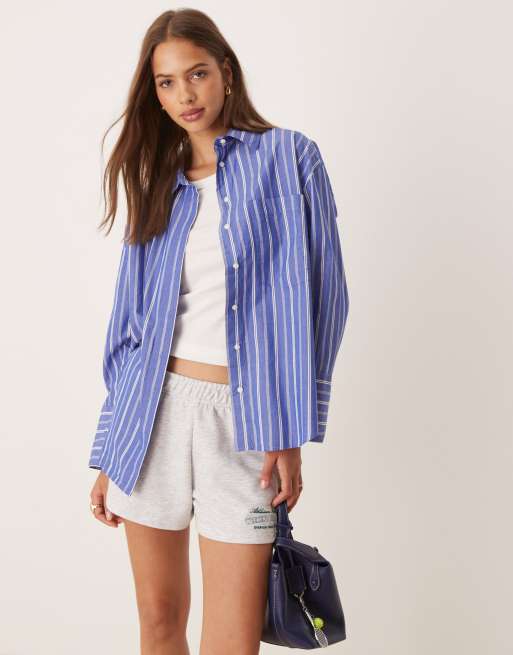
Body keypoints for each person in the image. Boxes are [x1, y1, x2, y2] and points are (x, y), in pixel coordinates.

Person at [87, 8, 349, 655]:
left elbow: (326, 301)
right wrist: (110, 445)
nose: (186, 94)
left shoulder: (290, 157)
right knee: (157, 620)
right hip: (150, 417)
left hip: (246, 420)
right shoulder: (156, 180)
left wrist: (291, 428)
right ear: (154, 93)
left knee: (232, 639)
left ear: (225, 72)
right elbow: (130, 323)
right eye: (167, 82)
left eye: (197, 73)